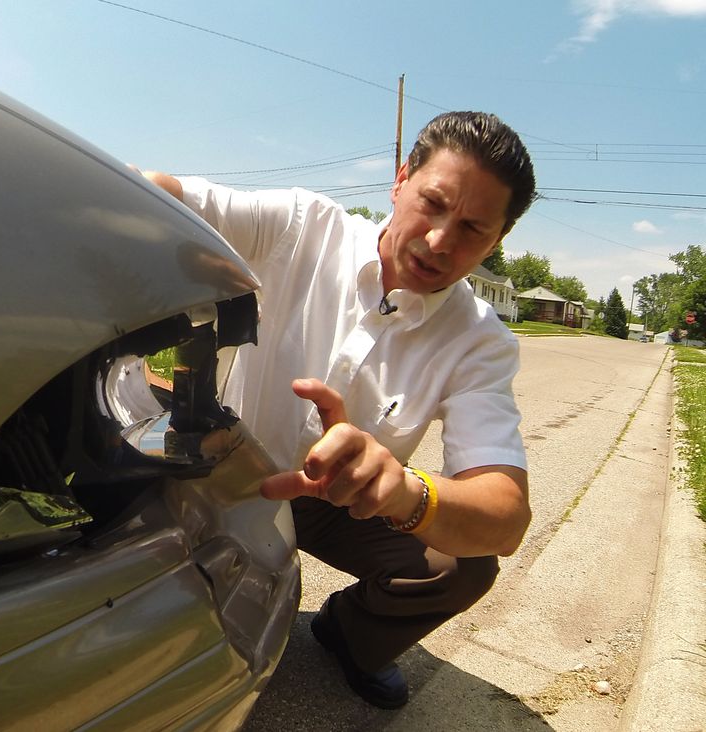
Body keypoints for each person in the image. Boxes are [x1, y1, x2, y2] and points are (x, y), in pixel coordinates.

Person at [140, 111, 536, 709]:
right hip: (222, 471)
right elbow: (165, 196)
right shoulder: (302, 226)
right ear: (400, 180)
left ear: (498, 240)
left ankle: (349, 637)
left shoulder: (480, 341)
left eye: (474, 229)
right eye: (433, 203)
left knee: (464, 566)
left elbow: (505, 518)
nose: (439, 242)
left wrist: (402, 489)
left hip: (338, 503)